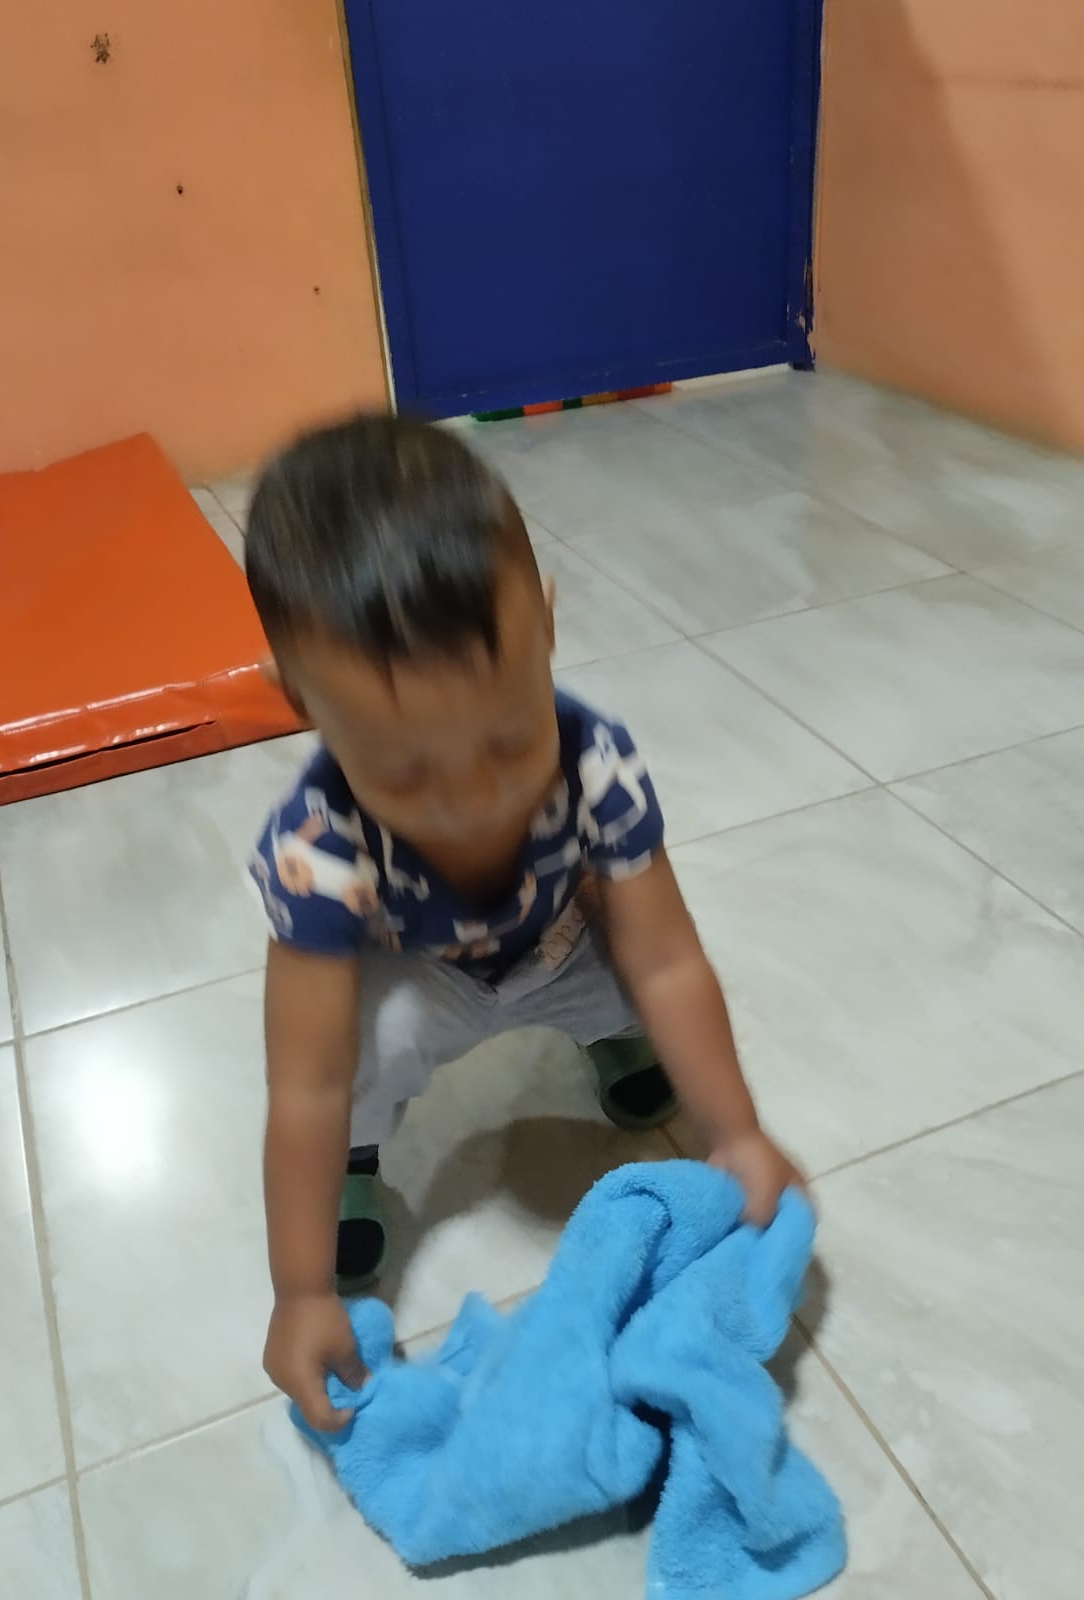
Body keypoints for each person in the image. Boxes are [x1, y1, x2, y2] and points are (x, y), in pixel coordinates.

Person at [245, 412, 806, 1432]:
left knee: (642, 974)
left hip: (559, 939)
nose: (473, 801)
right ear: (301, 702)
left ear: (545, 625)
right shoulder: (317, 847)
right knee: (363, 1051)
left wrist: (737, 1133)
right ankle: (358, 1168)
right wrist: (300, 1290)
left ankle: (609, 1035)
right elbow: (304, 1080)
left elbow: (668, 957)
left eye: (508, 740)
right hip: (424, 975)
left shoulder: (595, 762)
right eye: (405, 771)